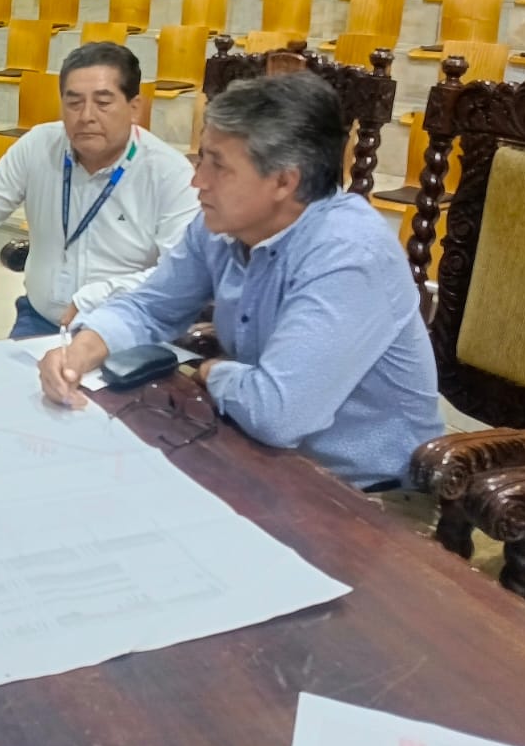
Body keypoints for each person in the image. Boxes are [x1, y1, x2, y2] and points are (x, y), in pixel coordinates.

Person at [39, 73, 442, 490]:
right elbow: (150, 306)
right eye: (202, 159)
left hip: (364, 494)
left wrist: (210, 371)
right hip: (254, 452)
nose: (198, 181)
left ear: (284, 181)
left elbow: (277, 414)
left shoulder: (350, 255)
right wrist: (79, 352)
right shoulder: (222, 225)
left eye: (218, 165)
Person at [0, 43, 200, 339]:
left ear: (134, 108)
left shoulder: (169, 173)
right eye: (74, 103)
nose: (86, 115)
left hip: (125, 327)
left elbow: (181, 274)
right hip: (40, 320)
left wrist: (99, 296)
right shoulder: (40, 145)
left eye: (103, 102)